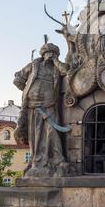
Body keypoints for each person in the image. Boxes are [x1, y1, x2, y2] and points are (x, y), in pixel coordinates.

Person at [13, 42, 71, 177]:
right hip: (33, 107)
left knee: (52, 132)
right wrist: (27, 92)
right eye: (47, 53)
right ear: (43, 54)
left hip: (49, 106)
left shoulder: (56, 68)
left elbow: (66, 71)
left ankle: (57, 160)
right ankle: (38, 162)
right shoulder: (34, 65)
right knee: (36, 136)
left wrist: (55, 61)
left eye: (53, 53)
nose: (49, 55)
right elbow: (17, 80)